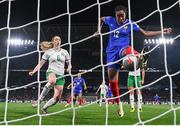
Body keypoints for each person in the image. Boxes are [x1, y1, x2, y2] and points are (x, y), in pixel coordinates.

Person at [94, 5, 172, 117]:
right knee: (112, 81)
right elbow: (100, 18)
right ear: (115, 15)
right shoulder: (110, 20)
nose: (120, 18)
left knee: (128, 52)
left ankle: (138, 56)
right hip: (111, 54)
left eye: (122, 16)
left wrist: (162, 31)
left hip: (123, 49)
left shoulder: (130, 23)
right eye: (118, 16)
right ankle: (119, 105)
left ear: (126, 15)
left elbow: (145, 33)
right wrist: (98, 30)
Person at [29, 35, 72, 114]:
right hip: (51, 72)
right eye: (56, 39)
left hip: (61, 75)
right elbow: (41, 63)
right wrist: (33, 71)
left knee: (57, 98)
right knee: (52, 81)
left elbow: (69, 64)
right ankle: (39, 100)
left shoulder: (65, 52)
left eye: (59, 39)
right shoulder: (49, 52)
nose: (58, 41)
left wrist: (69, 68)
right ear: (53, 42)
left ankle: (44, 108)